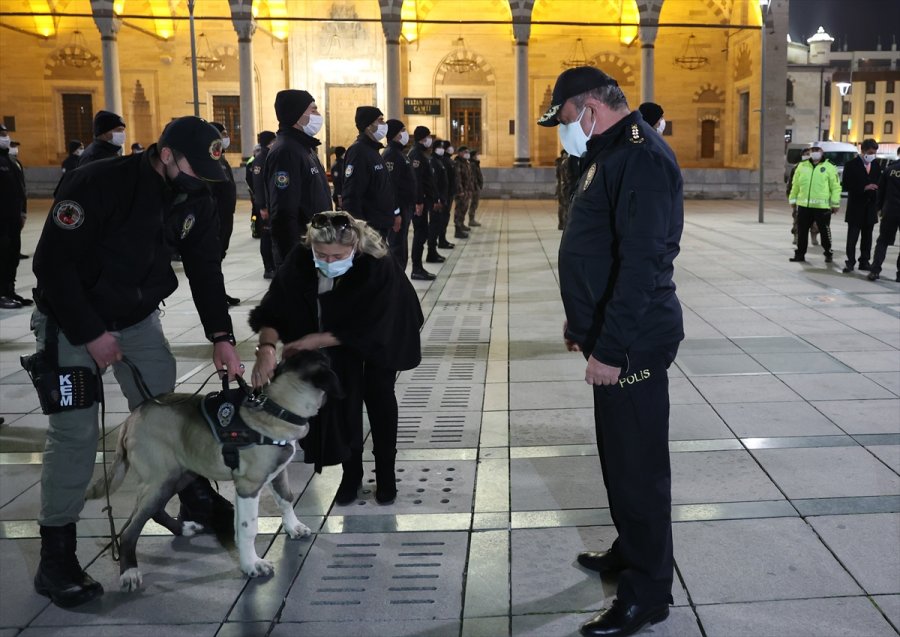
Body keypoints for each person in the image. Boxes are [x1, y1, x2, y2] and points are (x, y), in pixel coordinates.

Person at [29, 116, 243, 609]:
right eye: (194, 169)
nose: (200, 182)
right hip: (71, 320)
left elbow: (205, 268)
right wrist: (91, 335)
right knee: (76, 432)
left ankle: (192, 493)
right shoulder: (98, 182)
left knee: (171, 412)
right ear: (166, 154)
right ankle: (55, 556)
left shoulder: (195, 195)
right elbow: (52, 267)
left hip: (138, 318)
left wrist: (221, 336)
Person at [538, 66, 684, 637]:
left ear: (591, 107)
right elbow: (599, 248)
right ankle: (631, 548)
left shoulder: (639, 157)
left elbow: (642, 267)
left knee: (638, 468)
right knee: (618, 455)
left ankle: (648, 593)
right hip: (611, 334)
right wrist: (585, 325)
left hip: (635, 340)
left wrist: (613, 347)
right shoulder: (609, 150)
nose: (564, 130)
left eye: (566, 118)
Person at [248, 211, 422, 506]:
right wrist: (266, 348)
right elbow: (274, 305)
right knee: (344, 399)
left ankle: (387, 476)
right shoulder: (301, 258)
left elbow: (374, 326)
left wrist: (315, 340)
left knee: (379, 395)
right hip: (339, 332)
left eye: (337, 256)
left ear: (354, 247)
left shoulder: (377, 263)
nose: (328, 262)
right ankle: (351, 474)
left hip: (385, 331)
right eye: (322, 255)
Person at [264, 89, 332, 268]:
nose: (318, 115)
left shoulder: (304, 147)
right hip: (302, 248)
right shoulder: (286, 151)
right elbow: (284, 211)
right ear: (297, 114)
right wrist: (292, 258)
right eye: (313, 110)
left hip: (315, 245)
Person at [341, 106, 401, 248]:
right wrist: (359, 231)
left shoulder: (373, 151)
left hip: (380, 224)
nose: (384, 125)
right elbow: (351, 195)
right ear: (368, 126)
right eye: (380, 120)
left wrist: (394, 213)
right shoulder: (358, 151)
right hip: (369, 228)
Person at [789, 143, 840, 263]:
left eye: (817, 150)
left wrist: (835, 203)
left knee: (824, 232)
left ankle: (828, 252)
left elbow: (836, 187)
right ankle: (800, 254)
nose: (814, 152)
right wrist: (793, 199)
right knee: (802, 232)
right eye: (813, 150)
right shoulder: (802, 166)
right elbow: (795, 184)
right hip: (804, 206)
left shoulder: (830, 167)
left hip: (822, 207)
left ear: (823, 151)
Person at [209, 122, 240, 305]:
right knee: (213, 261)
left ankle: (220, 293)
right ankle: (215, 296)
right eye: (224, 133)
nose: (227, 137)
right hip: (217, 219)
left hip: (226, 217)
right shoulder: (212, 161)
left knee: (219, 258)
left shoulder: (221, 158)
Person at [842, 139, 882, 273]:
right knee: (852, 237)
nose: (872, 155)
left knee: (867, 237)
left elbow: (879, 182)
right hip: (856, 207)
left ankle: (864, 261)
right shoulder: (851, 165)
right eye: (870, 152)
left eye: (874, 153)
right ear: (863, 150)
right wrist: (863, 187)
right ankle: (850, 262)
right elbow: (846, 185)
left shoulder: (876, 165)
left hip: (870, 208)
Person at [0, 126, 29, 308]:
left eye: (5, 134)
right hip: (1, 221)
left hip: (12, 220)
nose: (6, 138)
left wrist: (21, 212)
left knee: (11, 256)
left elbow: (19, 190)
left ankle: (9, 290)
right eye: (2, 135)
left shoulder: (9, 160)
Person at [383, 118, 417, 270]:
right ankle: (396, 285)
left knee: (401, 247)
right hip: (399, 209)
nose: (405, 134)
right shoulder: (391, 154)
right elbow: (391, 187)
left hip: (405, 207)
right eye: (402, 131)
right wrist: (395, 212)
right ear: (395, 134)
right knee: (397, 249)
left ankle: (400, 284)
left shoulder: (400, 153)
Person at [407, 126, 439, 280]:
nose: (430, 140)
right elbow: (416, 180)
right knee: (420, 234)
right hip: (419, 202)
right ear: (422, 138)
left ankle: (418, 267)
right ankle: (416, 268)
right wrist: (418, 201)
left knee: (423, 233)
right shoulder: (416, 155)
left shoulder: (421, 153)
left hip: (424, 200)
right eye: (428, 136)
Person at [867, 152, 900, 282]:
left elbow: (881, 191)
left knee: (883, 241)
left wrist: (879, 208)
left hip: (890, 210)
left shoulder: (890, 169)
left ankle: (875, 271)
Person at [251, 130, 277, 279]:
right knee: (266, 237)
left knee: (272, 236)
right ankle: (269, 267)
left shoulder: (268, 156)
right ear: (270, 142)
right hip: (266, 206)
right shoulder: (262, 159)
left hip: (270, 203)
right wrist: (262, 206)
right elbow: (258, 185)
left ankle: (273, 264)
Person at [787, 148, 820, 247]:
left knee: (815, 220)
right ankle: (796, 236)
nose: (808, 155)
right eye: (806, 154)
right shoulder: (797, 167)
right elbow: (791, 184)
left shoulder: (817, 167)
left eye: (809, 154)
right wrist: (791, 198)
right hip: (800, 199)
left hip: (814, 199)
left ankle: (814, 237)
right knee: (797, 219)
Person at [452, 146, 473, 236]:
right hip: (461, 191)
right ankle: (458, 229)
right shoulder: (458, 163)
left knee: (464, 208)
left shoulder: (466, 163)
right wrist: (460, 191)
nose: (467, 154)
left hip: (466, 190)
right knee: (459, 210)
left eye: (468, 152)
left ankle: (462, 224)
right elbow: (458, 178)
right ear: (460, 153)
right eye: (465, 152)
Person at [555, 149, 576, 230]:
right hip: (564, 188)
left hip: (562, 187)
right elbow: (566, 177)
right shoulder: (565, 163)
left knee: (563, 206)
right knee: (565, 206)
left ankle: (562, 224)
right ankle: (564, 224)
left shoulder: (561, 164)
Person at [468, 149, 484, 227]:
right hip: (474, 187)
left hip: (476, 186)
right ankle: (471, 220)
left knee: (475, 203)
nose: (477, 156)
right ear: (473, 156)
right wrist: (475, 186)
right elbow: (473, 177)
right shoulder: (472, 164)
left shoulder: (475, 163)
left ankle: (472, 219)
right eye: (476, 155)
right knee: (474, 203)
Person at [330, 146, 346, 210]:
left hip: (342, 194)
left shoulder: (341, 163)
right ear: (342, 153)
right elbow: (337, 182)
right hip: (339, 195)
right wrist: (339, 196)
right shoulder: (337, 165)